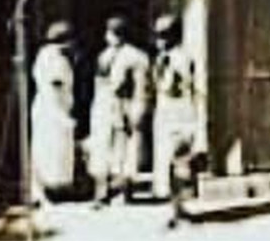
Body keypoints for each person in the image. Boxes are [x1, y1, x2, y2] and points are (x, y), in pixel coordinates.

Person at [89, 15, 151, 206]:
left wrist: (137, 108)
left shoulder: (135, 57)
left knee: (124, 151)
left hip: (123, 105)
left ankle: (124, 191)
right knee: (101, 149)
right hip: (103, 105)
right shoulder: (104, 55)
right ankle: (102, 191)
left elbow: (141, 85)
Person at [150, 14, 199, 217]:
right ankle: (175, 207)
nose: (159, 41)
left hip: (179, 112)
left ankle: (179, 207)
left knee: (177, 159)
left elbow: (171, 86)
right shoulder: (165, 58)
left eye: (163, 36)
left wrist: (162, 70)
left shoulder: (178, 58)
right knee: (166, 160)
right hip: (166, 112)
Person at [30, 21, 78, 200]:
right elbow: (56, 83)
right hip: (51, 109)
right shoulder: (52, 57)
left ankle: (56, 188)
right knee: (50, 150)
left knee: (56, 150)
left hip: (55, 108)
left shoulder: (50, 55)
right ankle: (46, 189)